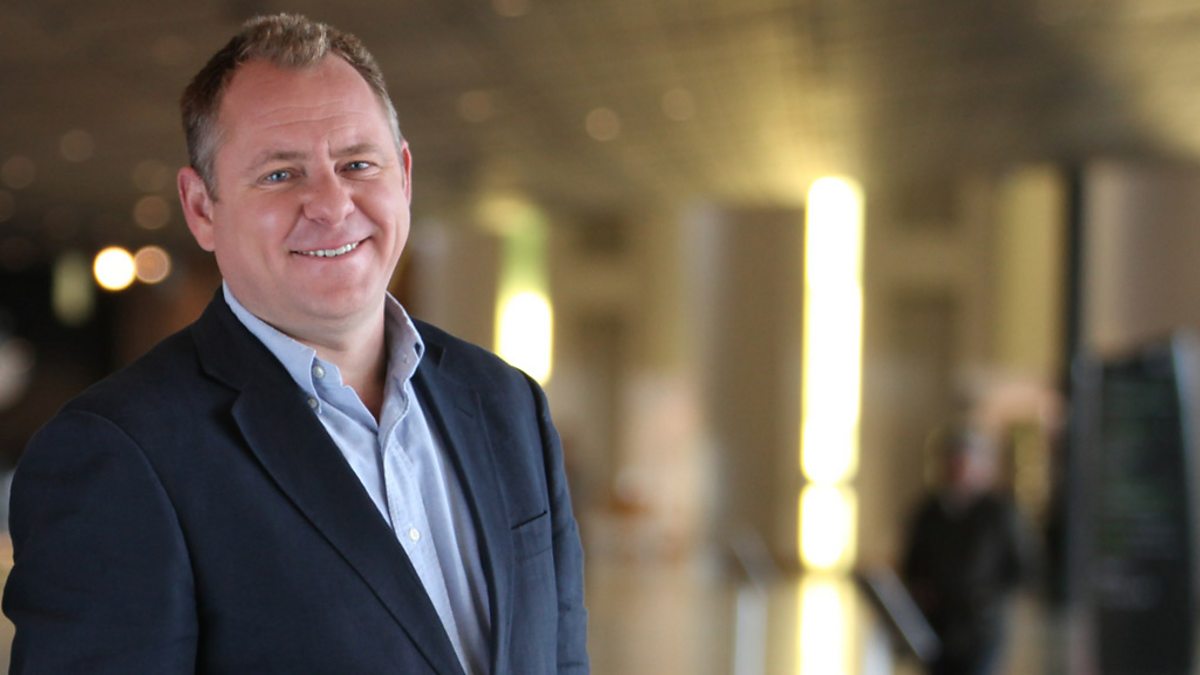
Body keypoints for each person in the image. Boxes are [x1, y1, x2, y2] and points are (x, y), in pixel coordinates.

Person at [2, 14, 589, 674]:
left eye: (357, 164)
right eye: (281, 175)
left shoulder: (506, 403)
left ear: (403, 176)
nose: (332, 205)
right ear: (201, 208)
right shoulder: (117, 454)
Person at [900, 425, 1031, 675]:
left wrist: (987, 599)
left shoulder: (997, 513)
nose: (957, 470)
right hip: (936, 624)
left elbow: (1020, 568)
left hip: (980, 629)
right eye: (952, 462)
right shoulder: (928, 512)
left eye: (963, 463)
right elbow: (912, 562)